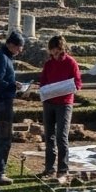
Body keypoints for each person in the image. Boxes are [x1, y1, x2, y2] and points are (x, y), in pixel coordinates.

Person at [38, 35, 82, 177]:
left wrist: (65, 88)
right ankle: (49, 168)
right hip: (49, 102)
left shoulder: (71, 63)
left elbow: (78, 84)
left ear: (62, 49)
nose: (54, 55)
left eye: (57, 52)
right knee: (49, 135)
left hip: (64, 103)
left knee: (61, 136)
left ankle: (63, 169)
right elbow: (43, 82)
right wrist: (44, 91)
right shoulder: (48, 64)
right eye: (52, 53)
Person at [0, 31, 26, 185]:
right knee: (4, 138)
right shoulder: (2, 57)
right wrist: (13, 85)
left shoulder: (5, 56)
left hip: (1, 101)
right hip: (2, 102)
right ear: (10, 44)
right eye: (18, 47)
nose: (20, 50)